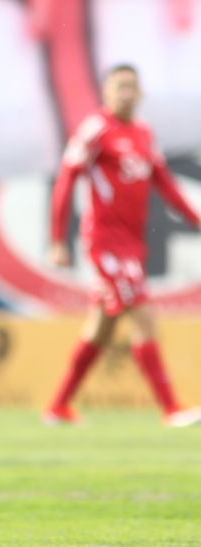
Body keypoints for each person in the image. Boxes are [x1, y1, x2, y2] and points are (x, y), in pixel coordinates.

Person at [43, 64, 201, 428]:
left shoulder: (144, 133)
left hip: (132, 244)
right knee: (143, 315)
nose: (126, 93)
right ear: (105, 92)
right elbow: (66, 178)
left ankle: (58, 407)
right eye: (119, 86)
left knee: (101, 327)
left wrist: (196, 218)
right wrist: (57, 239)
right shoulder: (96, 129)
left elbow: (164, 182)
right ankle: (171, 409)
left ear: (141, 93)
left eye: (132, 86)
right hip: (106, 243)